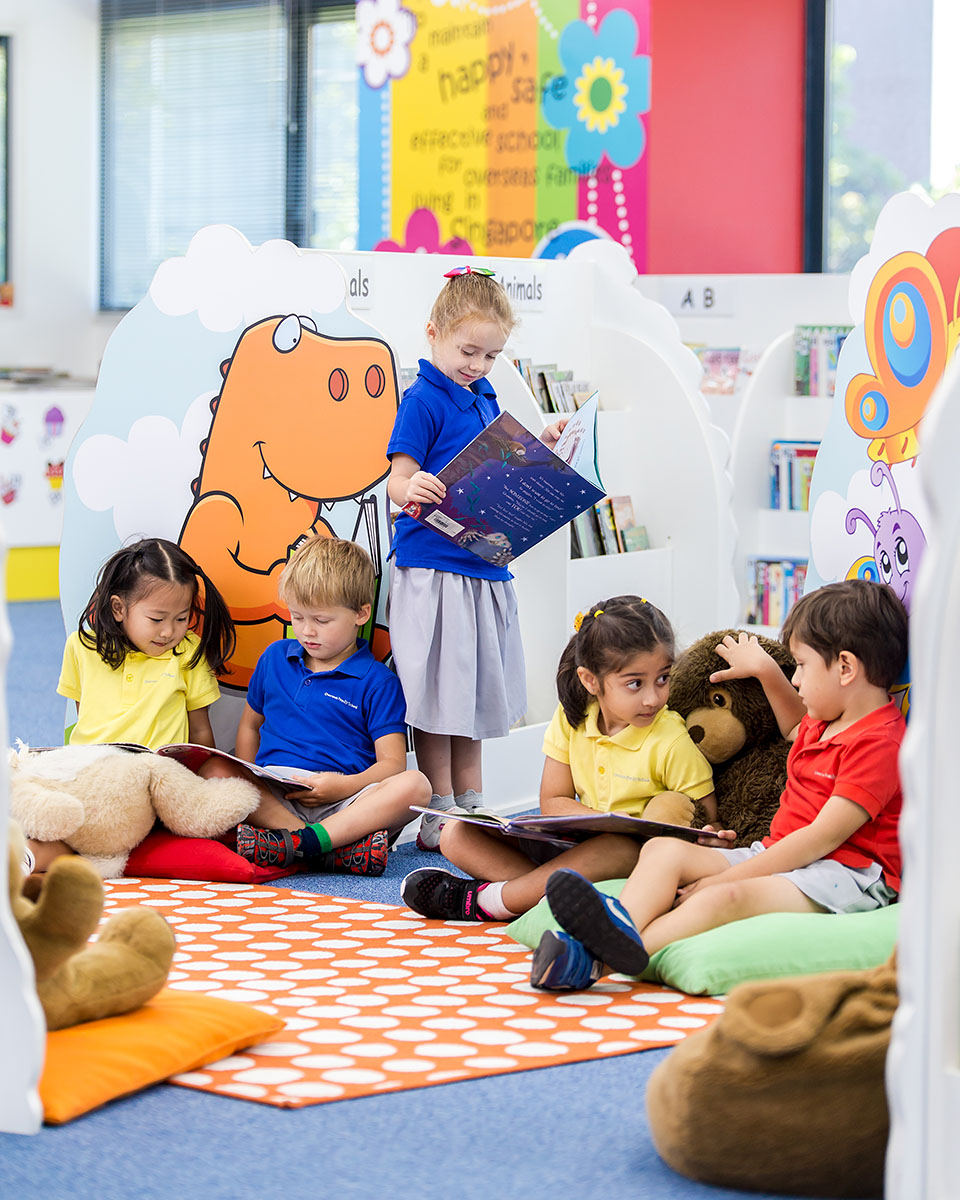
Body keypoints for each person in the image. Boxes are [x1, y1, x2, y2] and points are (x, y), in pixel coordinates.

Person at [534, 578, 909, 991]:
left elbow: (819, 839)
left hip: (844, 875)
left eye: (800, 666)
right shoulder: (825, 720)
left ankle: (592, 962)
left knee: (718, 899)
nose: (797, 681)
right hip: (778, 854)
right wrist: (767, 671)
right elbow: (794, 726)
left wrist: (727, 878)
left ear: (845, 668)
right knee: (663, 851)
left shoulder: (880, 744)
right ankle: (616, 922)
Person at [401, 595, 720, 931]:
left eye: (663, 678)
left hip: (632, 857)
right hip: (576, 845)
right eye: (635, 683)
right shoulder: (572, 719)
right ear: (590, 680)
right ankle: (550, 899)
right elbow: (552, 801)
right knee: (456, 833)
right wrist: (602, 820)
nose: (653, 698)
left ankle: (490, 902)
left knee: (616, 846)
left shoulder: (671, 739)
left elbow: (705, 816)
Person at [386, 265, 568, 849]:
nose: (479, 366)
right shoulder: (423, 399)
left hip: (483, 564)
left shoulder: (483, 394)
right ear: (433, 331)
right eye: (469, 351)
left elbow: (501, 462)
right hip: (435, 569)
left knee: (474, 691)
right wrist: (410, 487)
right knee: (439, 691)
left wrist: (548, 442)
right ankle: (439, 805)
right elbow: (397, 475)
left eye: (491, 356)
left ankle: (473, 801)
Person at [209, 535, 431, 875]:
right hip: (279, 795)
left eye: (321, 621)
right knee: (213, 770)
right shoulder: (274, 659)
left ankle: (299, 845)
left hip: (346, 802)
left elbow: (392, 765)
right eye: (297, 617)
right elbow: (250, 725)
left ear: (361, 613)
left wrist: (340, 786)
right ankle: (322, 850)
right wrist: (248, 774)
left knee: (416, 787)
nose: (307, 631)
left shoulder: (377, 681)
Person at [26, 537, 236, 872]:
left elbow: (200, 731)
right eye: (157, 619)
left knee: (227, 773)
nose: (170, 631)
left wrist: (195, 780)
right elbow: (85, 717)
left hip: (155, 783)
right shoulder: (82, 647)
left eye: (181, 619)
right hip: (93, 777)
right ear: (119, 609)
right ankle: (23, 862)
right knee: (29, 790)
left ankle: (300, 840)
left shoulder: (187, 652)